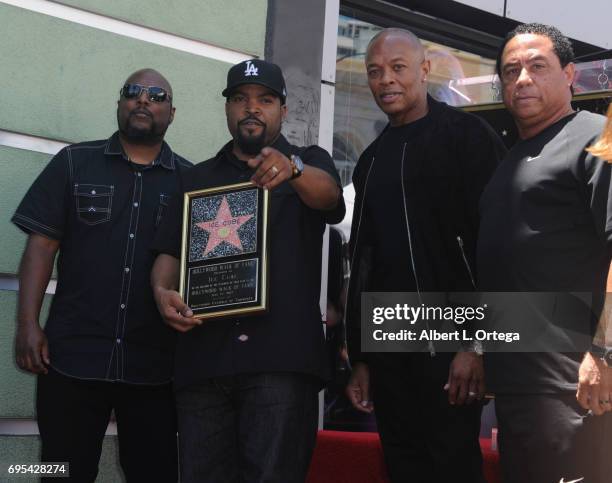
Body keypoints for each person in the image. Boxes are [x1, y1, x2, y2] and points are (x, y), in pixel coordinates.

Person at [151, 59, 345, 483]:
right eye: (240, 99)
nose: (251, 108)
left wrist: (293, 170)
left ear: (284, 110)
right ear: (227, 109)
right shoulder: (195, 178)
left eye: (265, 99)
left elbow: (330, 200)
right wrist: (162, 292)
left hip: (280, 362)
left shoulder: (308, 163)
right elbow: (168, 252)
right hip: (204, 363)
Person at [12, 68, 191, 482]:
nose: (143, 100)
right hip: (71, 357)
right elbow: (41, 246)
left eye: (156, 95)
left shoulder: (190, 181)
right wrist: (27, 325)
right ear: (119, 103)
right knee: (60, 472)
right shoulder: (74, 163)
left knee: (156, 474)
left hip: (155, 367)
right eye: (133, 91)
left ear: (172, 112)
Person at [344, 28, 506, 483]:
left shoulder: (468, 137)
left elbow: (496, 247)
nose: (386, 81)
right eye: (375, 72)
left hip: (455, 343)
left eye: (397, 68)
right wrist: (361, 356)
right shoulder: (370, 159)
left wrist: (477, 345)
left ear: (424, 70)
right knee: (403, 464)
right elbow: (364, 263)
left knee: (452, 464)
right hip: (391, 345)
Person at [477, 23, 612, 483]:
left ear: (570, 74)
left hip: (575, 385)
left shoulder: (599, 139)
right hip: (517, 386)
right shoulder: (509, 161)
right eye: (511, 70)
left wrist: (605, 352)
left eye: (538, 66)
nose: (523, 79)